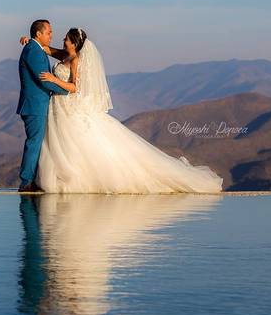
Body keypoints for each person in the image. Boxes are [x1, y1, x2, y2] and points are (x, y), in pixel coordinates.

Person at [18, 27, 223, 193]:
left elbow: (75, 88)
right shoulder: (64, 54)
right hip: (57, 108)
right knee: (57, 144)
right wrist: (30, 41)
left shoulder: (76, 60)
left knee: (74, 144)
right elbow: (46, 49)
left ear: (74, 43)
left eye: (66, 39)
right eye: (59, 37)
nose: (61, 40)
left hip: (67, 106)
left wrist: (54, 79)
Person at [16, 20, 69, 192]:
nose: (51, 35)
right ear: (38, 34)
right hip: (34, 106)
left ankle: (33, 179)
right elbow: (44, 79)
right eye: (49, 32)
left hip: (39, 105)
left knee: (39, 143)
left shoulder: (36, 48)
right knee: (34, 142)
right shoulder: (34, 51)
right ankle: (26, 182)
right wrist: (67, 91)